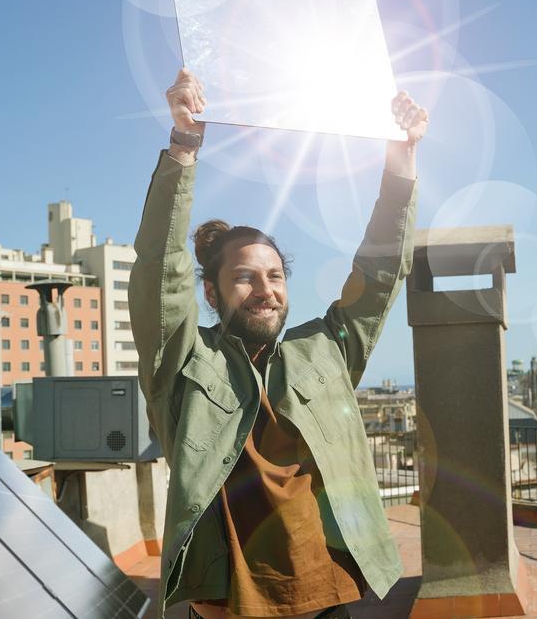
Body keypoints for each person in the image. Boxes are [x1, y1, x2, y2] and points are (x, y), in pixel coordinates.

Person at [129, 68, 429, 619]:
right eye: (244, 277)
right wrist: (185, 146)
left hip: (330, 600)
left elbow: (380, 273)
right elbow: (158, 274)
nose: (264, 289)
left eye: (275, 275)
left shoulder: (324, 352)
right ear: (212, 294)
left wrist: (401, 159)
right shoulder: (186, 364)